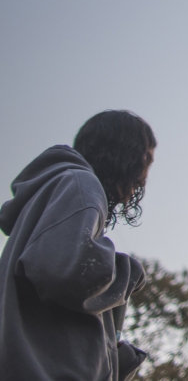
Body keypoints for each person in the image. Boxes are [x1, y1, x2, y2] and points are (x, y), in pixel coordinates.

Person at [0, 110, 157, 381]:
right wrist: (127, 271)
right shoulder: (82, 185)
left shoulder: (63, 190)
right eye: (147, 161)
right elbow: (61, 271)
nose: (144, 179)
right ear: (127, 155)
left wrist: (116, 355)